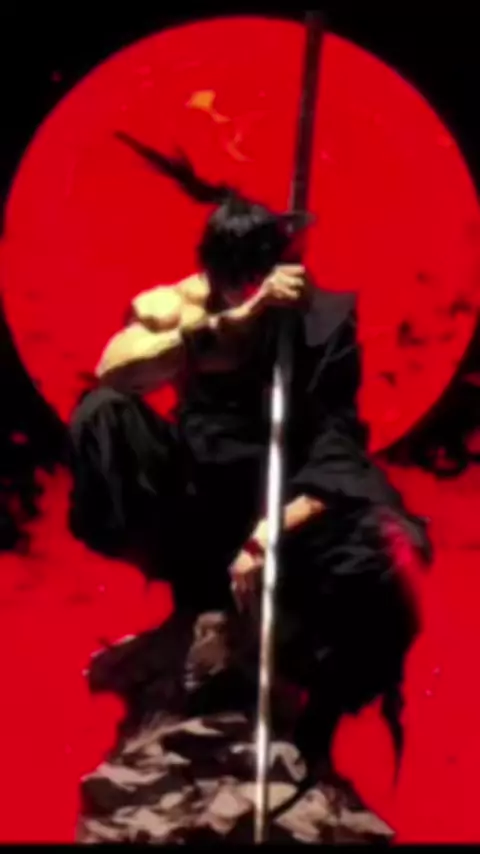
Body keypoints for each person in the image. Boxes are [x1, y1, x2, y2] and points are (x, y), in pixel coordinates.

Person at [70, 141, 431, 841]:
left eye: (255, 279)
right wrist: (235, 321)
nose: (241, 288)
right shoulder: (180, 303)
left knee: (397, 546)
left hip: (285, 510)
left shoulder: (320, 322)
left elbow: (339, 451)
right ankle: (187, 614)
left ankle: (317, 717)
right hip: (193, 505)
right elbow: (116, 373)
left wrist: (272, 530)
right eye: (229, 279)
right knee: (101, 417)